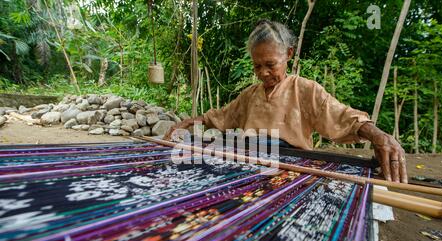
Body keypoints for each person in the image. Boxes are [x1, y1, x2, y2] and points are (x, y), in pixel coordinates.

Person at [164, 20, 407, 183]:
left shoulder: (305, 90)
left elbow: (342, 116)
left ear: (288, 54)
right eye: (257, 66)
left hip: (293, 170)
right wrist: (186, 123)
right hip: (250, 164)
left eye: (270, 65)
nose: (263, 73)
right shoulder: (250, 95)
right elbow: (218, 117)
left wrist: (377, 135)